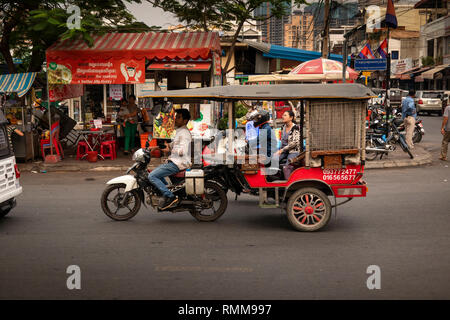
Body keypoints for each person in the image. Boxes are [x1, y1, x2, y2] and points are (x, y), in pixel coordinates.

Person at [148, 109, 192, 210]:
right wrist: (158, 147)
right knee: (157, 173)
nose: (175, 119)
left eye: (178, 117)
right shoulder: (180, 131)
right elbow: (174, 145)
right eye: (176, 117)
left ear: (185, 120)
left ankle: (170, 197)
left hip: (177, 163)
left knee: (152, 176)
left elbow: (183, 150)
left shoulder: (184, 133)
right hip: (174, 161)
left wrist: (170, 150)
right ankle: (167, 190)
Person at [273, 110, 301, 179]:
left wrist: (281, 150)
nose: (283, 117)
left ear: (291, 118)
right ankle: (277, 178)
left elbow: (294, 143)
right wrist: (278, 151)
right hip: (284, 150)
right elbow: (282, 141)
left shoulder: (295, 128)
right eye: (283, 115)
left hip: (293, 150)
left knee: (287, 167)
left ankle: (288, 184)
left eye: (285, 115)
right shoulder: (283, 127)